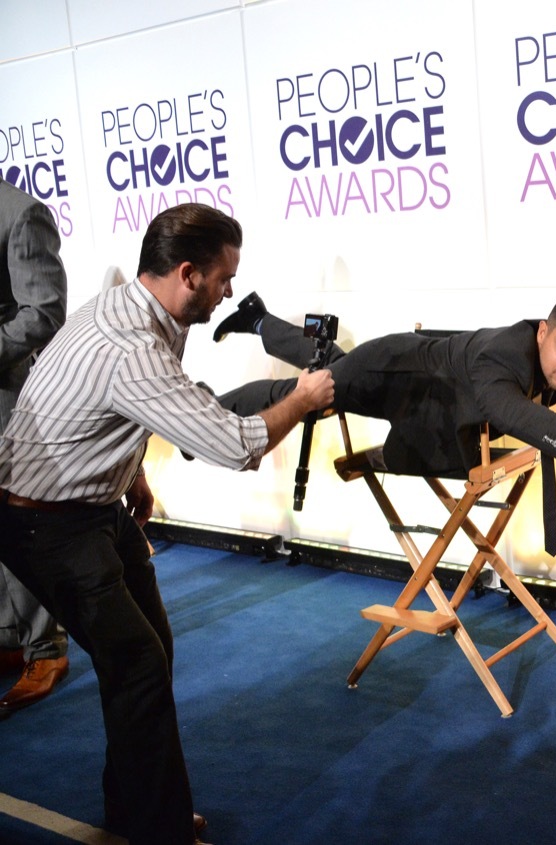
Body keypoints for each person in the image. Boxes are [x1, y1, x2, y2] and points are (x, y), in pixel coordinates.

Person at [0, 203, 335, 845]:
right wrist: (300, 397)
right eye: (224, 278)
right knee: (138, 664)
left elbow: (110, 412)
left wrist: (133, 475)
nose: (231, 291)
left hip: (95, 501)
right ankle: (159, 830)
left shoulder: (141, 308)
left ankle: (134, 809)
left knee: (150, 651)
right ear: (188, 272)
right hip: (45, 523)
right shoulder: (131, 346)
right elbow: (236, 447)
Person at [209, 291, 556, 488]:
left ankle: (257, 319)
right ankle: (205, 410)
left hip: (425, 385)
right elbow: (512, 414)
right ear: (543, 332)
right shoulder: (502, 359)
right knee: (301, 395)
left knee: (325, 362)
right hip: (389, 374)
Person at [0, 180, 71, 713]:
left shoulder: (22, 214)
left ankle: (45, 645)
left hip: (6, 399)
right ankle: (9, 634)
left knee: (18, 523)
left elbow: (44, 312)